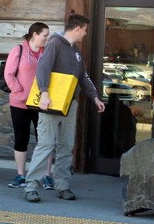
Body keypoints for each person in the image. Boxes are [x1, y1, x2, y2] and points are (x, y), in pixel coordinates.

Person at [24, 13, 105, 203]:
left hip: (70, 105)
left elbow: (82, 76)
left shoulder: (75, 51)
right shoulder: (55, 44)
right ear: (78, 29)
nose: (85, 34)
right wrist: (44, 93)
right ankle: (31, 187)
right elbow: (43, 67)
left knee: (66, 146)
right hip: (51, 104)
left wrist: (94, 97)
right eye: (85, 30)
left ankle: (62, 185)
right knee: (45, 145)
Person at [3, 22, 55, 189]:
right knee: (21, 138)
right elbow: (9, 75)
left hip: (41, 103)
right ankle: (20, 175)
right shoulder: (18, 50)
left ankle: (47, 176)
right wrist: (20, 92)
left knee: (45, 140)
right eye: (45, 35)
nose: (47, 38)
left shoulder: (46, 52)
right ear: (35, 34)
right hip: (19, 103)